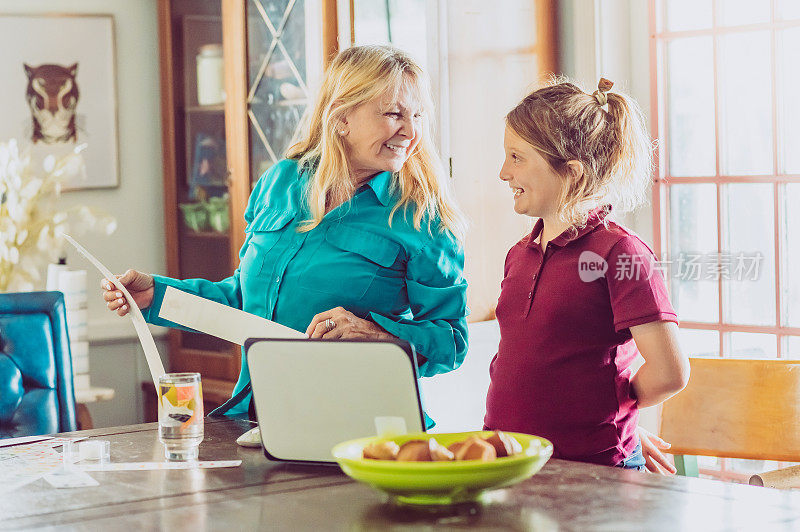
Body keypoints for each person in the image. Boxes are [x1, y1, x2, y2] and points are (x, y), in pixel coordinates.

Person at [101, 45, 468, 423]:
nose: (411, 131)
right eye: (394, 114)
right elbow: (245, 300)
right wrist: (155, 295)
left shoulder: (423, 216)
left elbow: (452, 342)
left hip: (362, 426)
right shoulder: (280, 182)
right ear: (342, 117)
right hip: (260, 416)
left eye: (418, 116)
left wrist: (376, 334)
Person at [484, 77, 689, 472]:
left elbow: (670, 372)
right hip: (509, 462)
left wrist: (611, 411)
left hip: (594, 468)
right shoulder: (519, 255)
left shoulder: (620, 252)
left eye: (516, 157)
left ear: (572, 172)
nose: (503, 172)